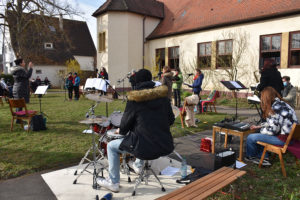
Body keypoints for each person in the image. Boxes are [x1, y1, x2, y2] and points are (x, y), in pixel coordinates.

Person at [96, 69, 175, 192]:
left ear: (137, 82)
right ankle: (138, 165)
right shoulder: (164, 98)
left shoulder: (135, 100)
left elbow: (124, 128)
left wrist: (120, 130)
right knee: (142, 135)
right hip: (164, 144)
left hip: (144, 147)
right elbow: (171, 120)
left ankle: (113, 182)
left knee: (111, 146)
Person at [246, 87, 298, 166]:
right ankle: (263, 156)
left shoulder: (274, 108)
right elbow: (273, 123)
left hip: (284, 140)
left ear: (266, 97)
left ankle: (253, 157)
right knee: (260, 133)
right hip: (292, 137)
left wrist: (261, 130)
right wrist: (260, 126)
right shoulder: (284, 104)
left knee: (251, 137)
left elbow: (272, 131)